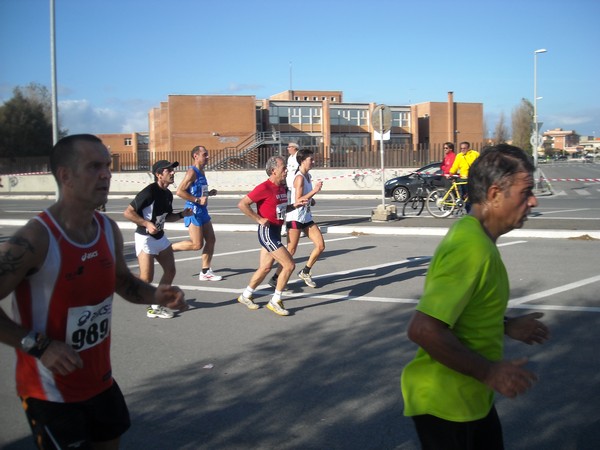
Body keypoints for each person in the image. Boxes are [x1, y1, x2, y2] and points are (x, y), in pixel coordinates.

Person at [0, 134, 188, 450]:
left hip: (99, 382)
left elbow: (123, 283)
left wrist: (156, 295)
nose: (106, 174)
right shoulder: (35, 239)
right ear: (65, 175)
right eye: (94, 167)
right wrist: (40, 345)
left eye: (107, 166)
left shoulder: (106, 229)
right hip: (50, 390)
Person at [401, 144, 550, 450]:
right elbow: (423, 329)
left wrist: (505, 325)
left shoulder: (476, 238)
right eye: (526, 192)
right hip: (446, 404)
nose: (533, 201)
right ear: (495, 194)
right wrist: (490, 371)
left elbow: (463, 310)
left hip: (470, 398)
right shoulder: (471, 247)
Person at [236, 155, 308, 316]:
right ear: (274, 171)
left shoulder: (282, 188)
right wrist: (259, 219)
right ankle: (275, 300)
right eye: (283, 168)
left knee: (265, 267)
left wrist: (294, 205)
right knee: (289, 265)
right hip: (267, 233)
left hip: (276, 231)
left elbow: (280, 209)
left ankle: (245, 295)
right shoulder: (264, 187)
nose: (286, 171)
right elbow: (242, 204)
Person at [124, 159, 192, 319]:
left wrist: (182, 214)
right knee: (146, 278)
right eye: (168, 170)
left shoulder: (167, 194)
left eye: (172, 170)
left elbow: (167, 216)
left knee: (170, 270)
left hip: (160, 238)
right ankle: (123, 279)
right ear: (159, 175)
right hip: (145, 238)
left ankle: (155, 306)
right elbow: (128, 212)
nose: (173, 172)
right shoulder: (149, 192)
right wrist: (146, 223)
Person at [268, 148, 324, 289]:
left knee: (320, 245)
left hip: (306, 217)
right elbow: (298, 199)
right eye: (310, 159)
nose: (313, 161)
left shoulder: (308, 176)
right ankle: (275, 278)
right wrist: (314, 191)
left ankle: (305, 271)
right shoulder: (298, 178)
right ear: (302, 161)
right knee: (291, 251)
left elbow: (305, 197)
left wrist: (311, 199)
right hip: (295, 217)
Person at [172, 145, 222, 281]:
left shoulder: (202, 172)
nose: (207, 157)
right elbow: (180, 191)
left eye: (207, 154)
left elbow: (199, 192)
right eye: (204, 154)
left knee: (211, 239)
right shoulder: (191, 172)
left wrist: (209, 193)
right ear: (196, 156)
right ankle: (167, 248)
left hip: (203, 211)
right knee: (197, 245)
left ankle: (205, 272)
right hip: (192, 211)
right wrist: (196, 199)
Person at [448, 141, 480, 213]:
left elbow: (480, 163)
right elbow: (455, 166)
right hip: (463, 178)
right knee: (464, 196)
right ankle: (468, 211)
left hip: (472, 178)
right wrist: (451, 173)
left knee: (471, 196)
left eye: (464, 148)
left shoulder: (475, 154)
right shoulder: (459, 156)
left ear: (468, 148)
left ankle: (471, 211)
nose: (462, 150)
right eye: (461, 148)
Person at [282, 142, 300, 236]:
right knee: (289, 208)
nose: (288, 148)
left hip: (296, 187)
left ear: (294, 148)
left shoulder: (298, 157)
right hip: (289, 187)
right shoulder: (290, 158)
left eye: (289, 147)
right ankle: (288, 227)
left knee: (297, 208)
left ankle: (298, 228)